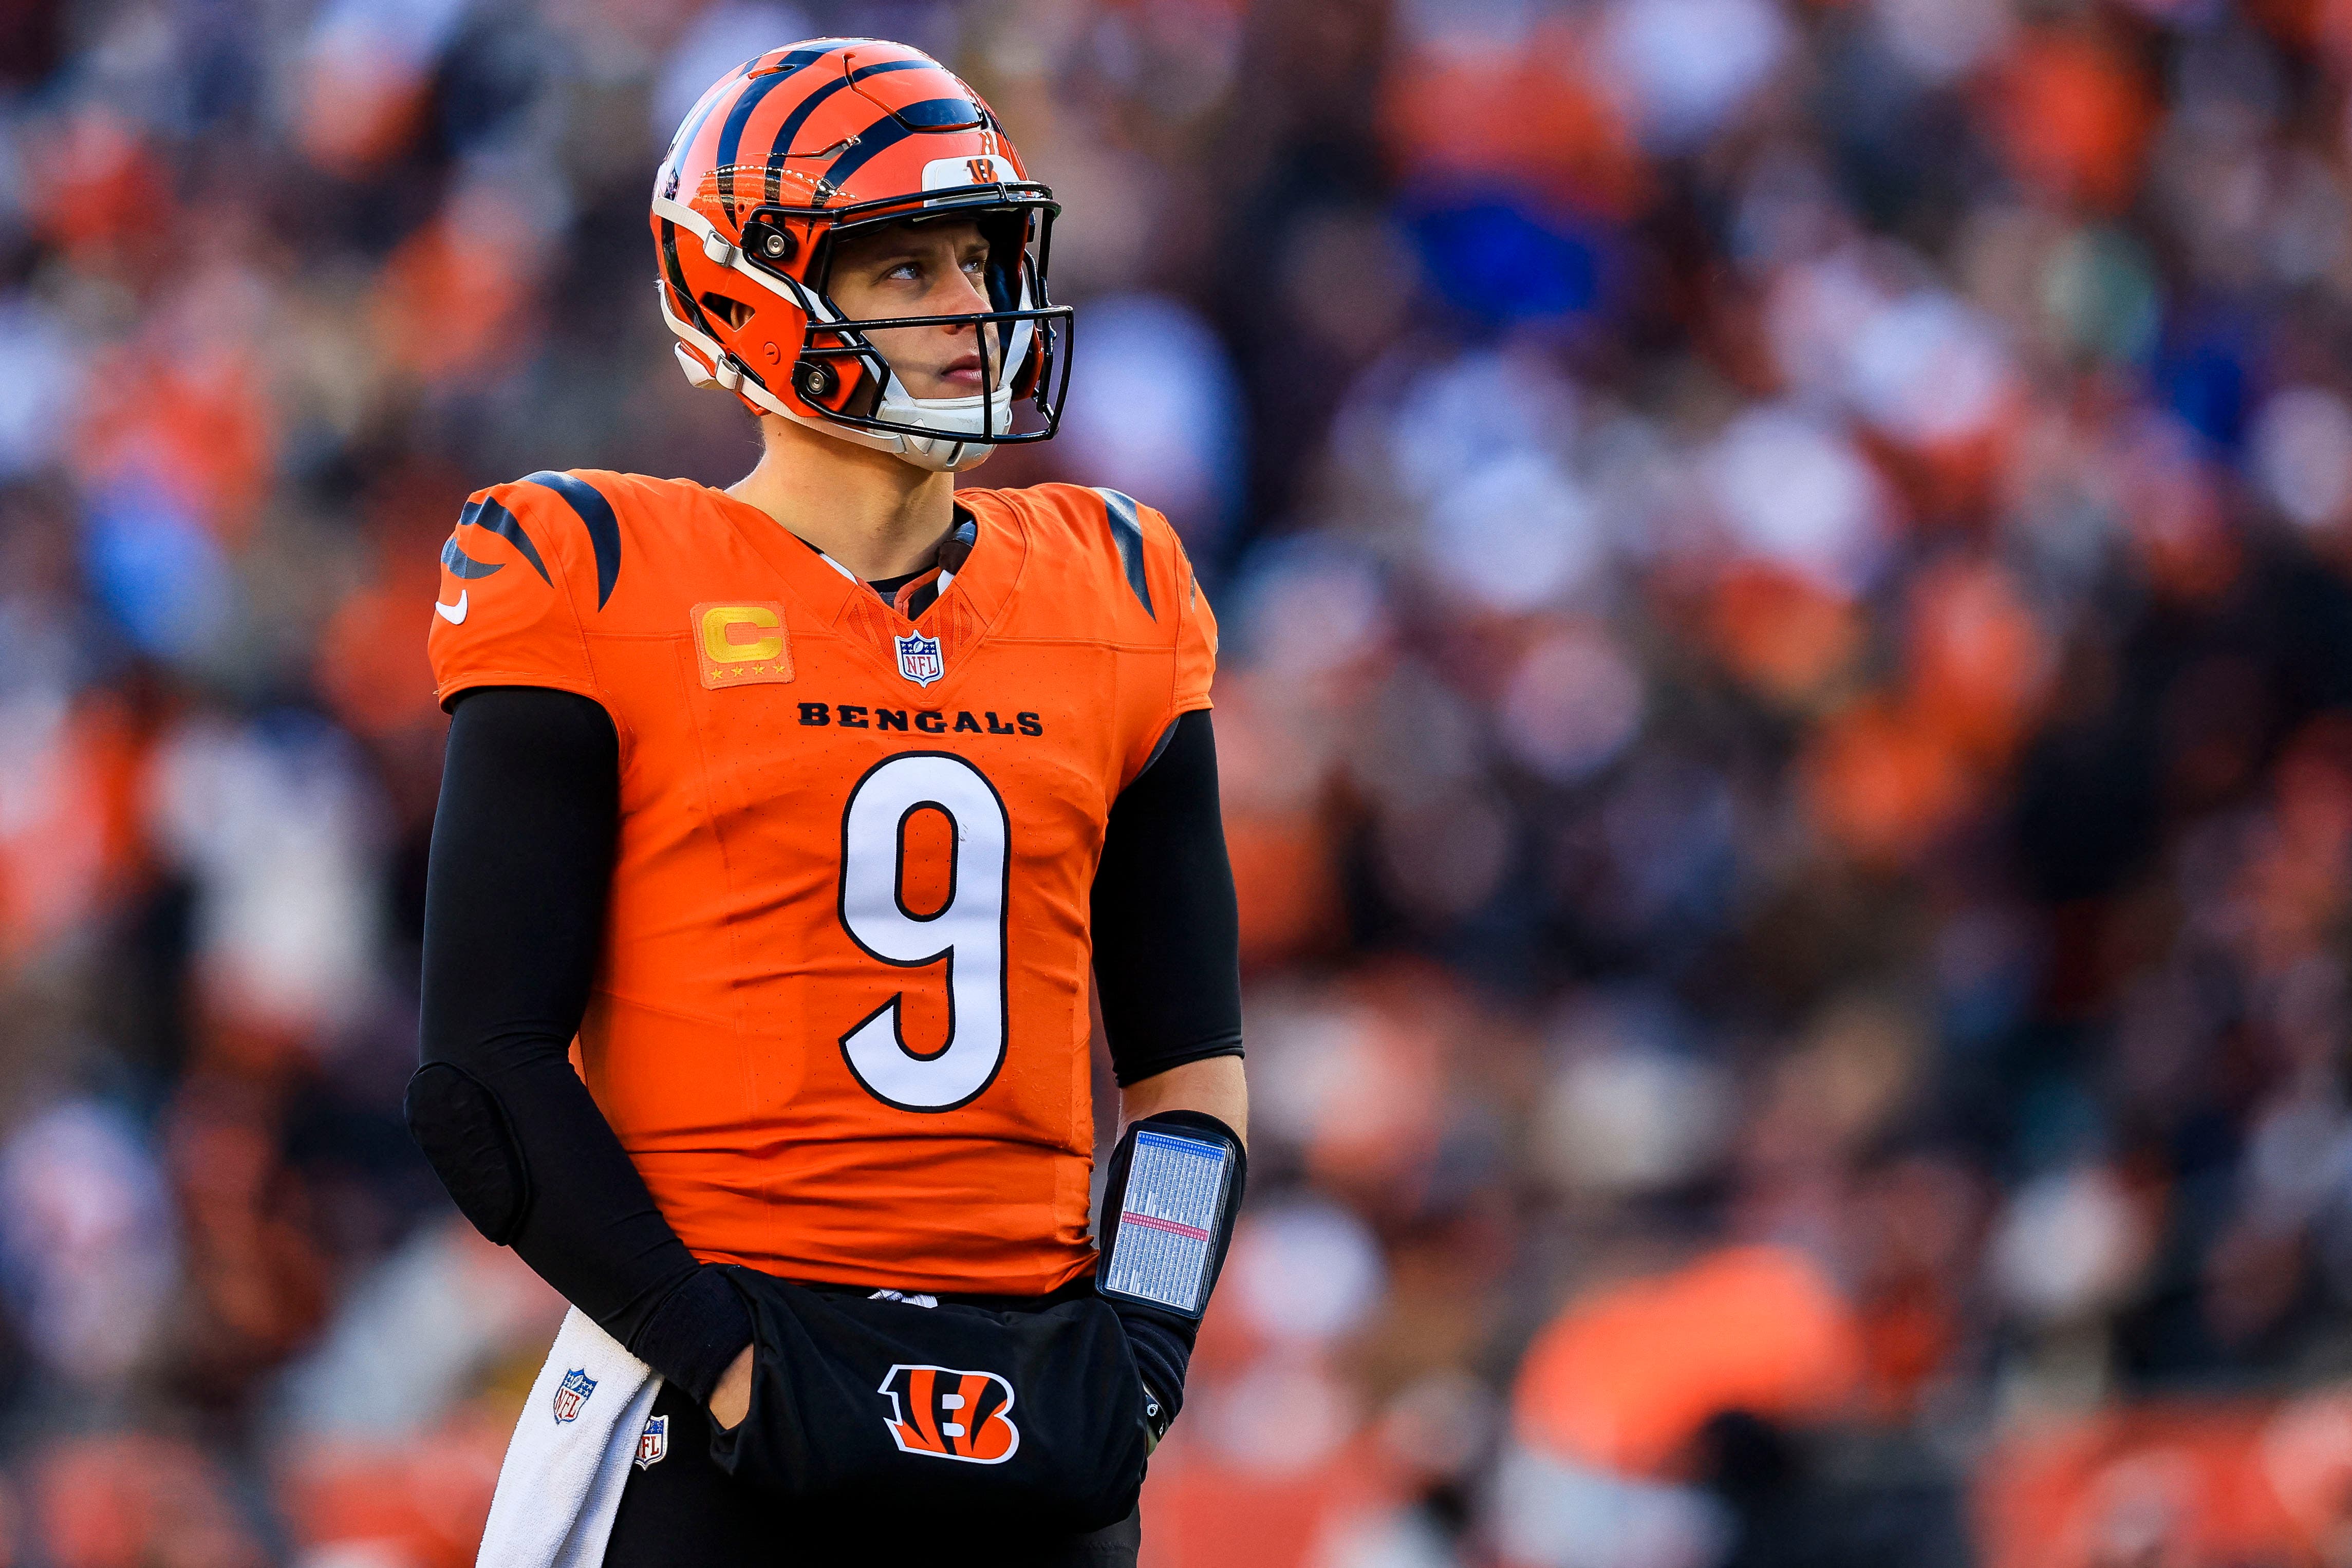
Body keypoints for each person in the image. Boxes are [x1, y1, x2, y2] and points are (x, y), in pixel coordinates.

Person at [405, 38, 1247, 1567]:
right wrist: (716, 1351)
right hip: (717, 1399)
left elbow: (1189, 1079)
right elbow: (483, 1073)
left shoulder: (1117, 584)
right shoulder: (594, 568)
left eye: (981, 259)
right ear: (752, 289)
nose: (966, 310)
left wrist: (1142, 1349)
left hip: (1037, 1407)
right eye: (901, 265)